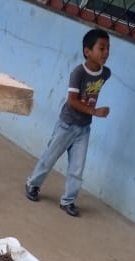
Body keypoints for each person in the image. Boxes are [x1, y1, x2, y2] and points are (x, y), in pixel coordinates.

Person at [24, 28, 111, 217]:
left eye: (107, 49)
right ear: (87, 52)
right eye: (101, 48)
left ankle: (68, 201)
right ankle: (33, 184)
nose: (106, 53)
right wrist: (95, 111)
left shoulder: (106, 74)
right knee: (49, 158)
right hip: (67, 124)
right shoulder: (78, 73)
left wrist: (92, 113)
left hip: (84, 128)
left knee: (77, 168)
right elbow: (72, 100)